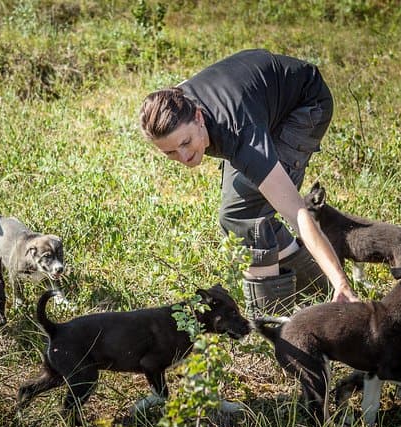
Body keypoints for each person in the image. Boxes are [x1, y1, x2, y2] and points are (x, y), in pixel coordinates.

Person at [139, 49, 358, 316]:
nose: (183, 157)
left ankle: (274, 319)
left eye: (185, 143)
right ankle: (317, 292)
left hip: (304, 105)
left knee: (247, 216)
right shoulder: (175, 103)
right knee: (234, 217)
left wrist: (341, 281)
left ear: (198, 117)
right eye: (170, 152)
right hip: (257, 104)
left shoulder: (239, 134)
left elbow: (297, 213)